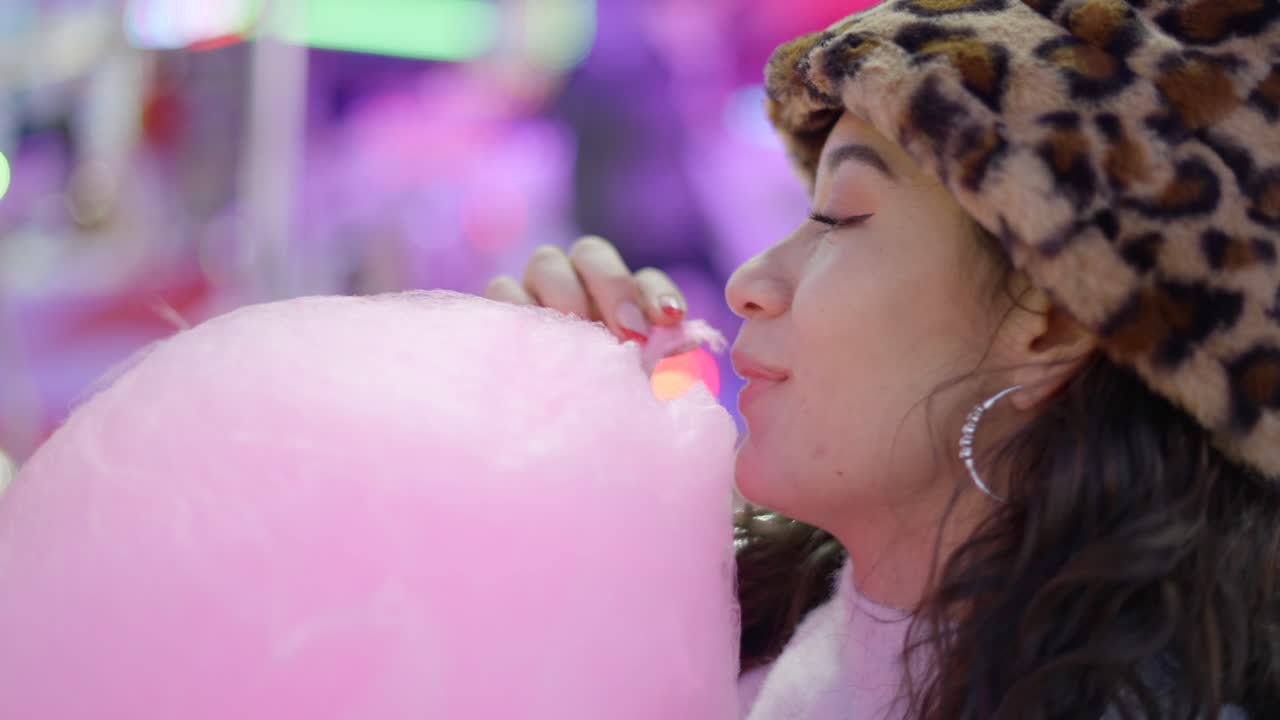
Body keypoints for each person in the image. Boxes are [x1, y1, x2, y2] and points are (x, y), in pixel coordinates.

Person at [486, 0, 1280, 717]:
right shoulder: (719, 633)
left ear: (1055, 324)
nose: (748, 283)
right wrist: (551, 500)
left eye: (839, 217)